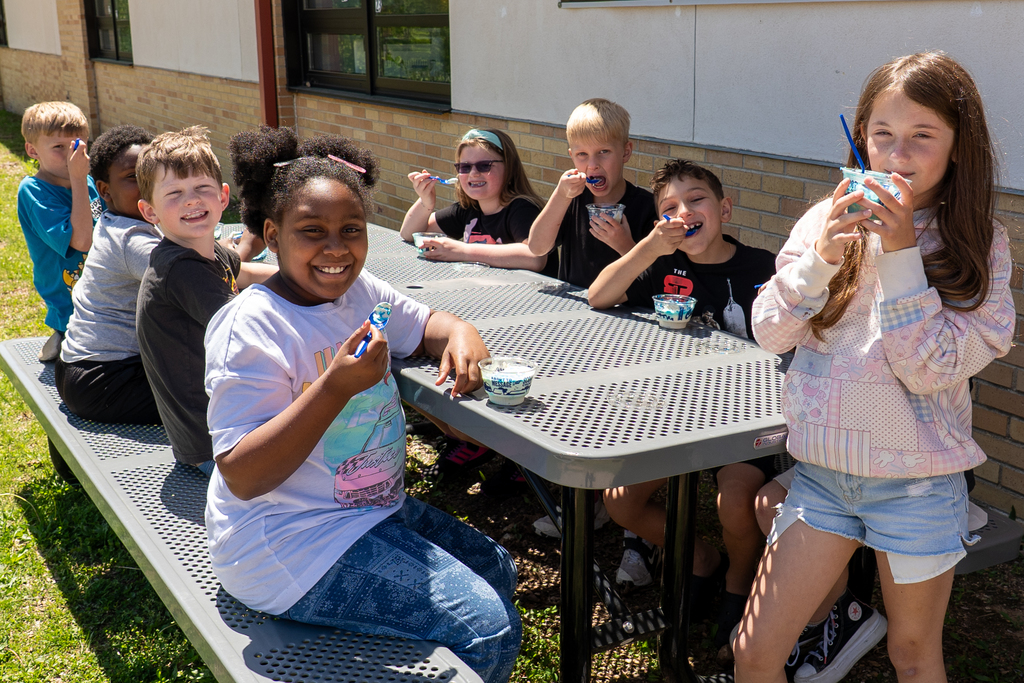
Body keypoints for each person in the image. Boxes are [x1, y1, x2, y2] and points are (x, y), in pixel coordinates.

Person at [734, 52, 1016, 683]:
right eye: (882, 134)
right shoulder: (824, 221)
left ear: (959, 147)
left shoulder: (980, 241)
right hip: (822, 477)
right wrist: (819, 261)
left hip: (918, 484)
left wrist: (900, 252)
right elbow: (770, 331)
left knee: (912, 659)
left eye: (923, 136)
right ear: (860, 137)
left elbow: (929, 369)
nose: (897, 154)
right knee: (753, 653)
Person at [204, 126, 520, 683]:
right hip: (286, 545)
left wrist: (461, 332)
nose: (336, 248)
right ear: (273, 235)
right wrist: (334, 388)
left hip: (367, 510)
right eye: (312, 231)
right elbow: (244, 476)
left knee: (499, 569)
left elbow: (427, 323)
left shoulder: (359, 292)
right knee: (488, 629)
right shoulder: (252, 328)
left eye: (351, 230)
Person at [589, 160, 777, 646]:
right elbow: (598, 296)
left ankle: (739, 582)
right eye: (670, 208)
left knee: (735, 503)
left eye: (696, 200)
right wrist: (649, 246)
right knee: (621, 501)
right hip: (676, 413)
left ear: (724, 209)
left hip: (746, 415)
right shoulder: (664, 263)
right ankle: (701, 560)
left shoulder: (763, 266)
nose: (684, 212)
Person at [401, 127, 553, 495]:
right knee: (418, 362)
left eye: (484, 165)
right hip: (484, 312)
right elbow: (410, 233)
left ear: (508, 167)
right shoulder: (467, 211)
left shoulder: (521, 208)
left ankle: (525, 456)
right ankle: (471, 437)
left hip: (533, 318)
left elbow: (534, 256)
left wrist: (462, 250)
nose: (473, 174)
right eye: (464, 167)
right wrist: (425, 201)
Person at [135, 126, 275, 474]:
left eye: (202, 188)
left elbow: (248, 272)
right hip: (215, 441)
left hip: (222, 421)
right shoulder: (182, 269)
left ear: (223, 197)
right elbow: (247, 329)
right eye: (174, 193)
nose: (192, 200)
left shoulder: (206, 251)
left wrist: (308, 277)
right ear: (150, 212)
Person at [55, 124, 163, 425]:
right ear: (104, 191)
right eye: (133, 177)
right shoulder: (131, 240)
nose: (148, 185)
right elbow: (195, 278)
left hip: (79, 366)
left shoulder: (116, 220)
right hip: (104, 379)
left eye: (153, 174)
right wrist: (244, 251)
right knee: (214, 399)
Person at [527, 98, 657, 289]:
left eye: (603, 151)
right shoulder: (571, 199)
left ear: (625, 152)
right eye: (582, 154)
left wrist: (624, 245)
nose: (592, 164)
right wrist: (561, 195)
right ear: (572, 156)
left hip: (625, 305)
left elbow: (656, 278)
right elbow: (537, 248)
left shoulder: (648, 207)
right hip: (573, 302)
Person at [17, 101, 102, 362]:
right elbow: (82, 241)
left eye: (76, 146)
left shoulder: (88, 182)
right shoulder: (34, 192)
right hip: (69, 303)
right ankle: (61, 336)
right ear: (33, 151)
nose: (70, 156)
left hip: (101, 293)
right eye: (59, 147)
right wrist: (78, 178)